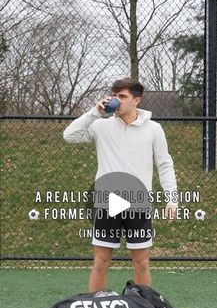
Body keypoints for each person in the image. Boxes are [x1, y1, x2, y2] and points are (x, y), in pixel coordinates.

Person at [63, 78, 178, 292]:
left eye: (122, 96)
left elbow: (165, 165)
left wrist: (172, 200)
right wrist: (94, 113)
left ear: (136, 100)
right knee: (101, 263)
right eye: (114, 95)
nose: (116, 100)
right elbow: (69, 136)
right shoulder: (100, 125)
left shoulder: (153, 129)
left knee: (141, 263)